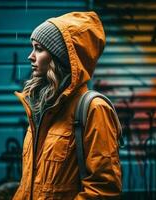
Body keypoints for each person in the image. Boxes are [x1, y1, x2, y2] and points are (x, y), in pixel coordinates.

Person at [13, 11, 122, 199]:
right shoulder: (42, 108)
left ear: (59, 57)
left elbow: (104, 189)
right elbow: (28, 185)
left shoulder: (93, 109)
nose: (31, 56)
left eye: (39, 48)